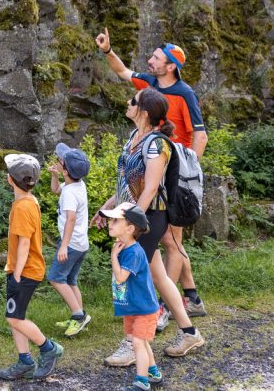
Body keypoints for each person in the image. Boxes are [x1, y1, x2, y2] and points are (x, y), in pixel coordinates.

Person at [94, 28, 209, 320]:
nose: (150, 60)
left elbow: (200, 136)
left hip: (170, 176)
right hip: (150, 174)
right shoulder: (147, 86)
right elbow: (121, 71)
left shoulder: (184, 94)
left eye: (156, 58)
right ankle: (189, 299)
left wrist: (187, 173)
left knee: (171, 243)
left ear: (171, 66)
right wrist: (108, 51)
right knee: (170, 243)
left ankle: (166, 310)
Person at [92, 88, 205, 365]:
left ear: (144, 111)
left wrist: (131, 221)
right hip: (135, 214)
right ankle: (190, 332)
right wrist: (106, 209)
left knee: (129, 275)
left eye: (133, 101)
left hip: (149, 218)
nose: (127, 103)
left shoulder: (157, 144)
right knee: (159, 277)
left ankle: (133, 343)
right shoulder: (134, 138)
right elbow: (127, 185)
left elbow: (151, 188)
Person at [0, 154, 64, 381]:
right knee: (15, 314)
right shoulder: (28, 201)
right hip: (23, 269)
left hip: (24, 271)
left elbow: (24, 243)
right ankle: (25, 361)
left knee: (15, 318)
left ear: (9, 179)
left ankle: (49, 348)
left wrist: (16, 274)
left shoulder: (22, 208)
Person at [103, 202, 164, 391]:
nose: (110, 223)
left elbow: (121, 278)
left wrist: (113, 257)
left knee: (137, 343)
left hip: (144, 308)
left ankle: (142, 382)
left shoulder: (134, 253)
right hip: (133, 306)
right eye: (110, 220)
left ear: (130, 229)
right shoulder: (124, 247)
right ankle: (153, 373)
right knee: (141, 342)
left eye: (115, 220)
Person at [48, 142, 92, 337]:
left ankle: (78, 315)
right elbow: (55, 190)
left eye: (59, 162)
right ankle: (80, 317)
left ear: (66, 170)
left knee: (55, 278)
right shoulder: (75, 184)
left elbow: (71, 219)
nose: (57, 161)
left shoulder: (71, 194)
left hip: (71, 244)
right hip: (80, 243)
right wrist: (55, 176)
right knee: (71, 281)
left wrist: (63, 246)